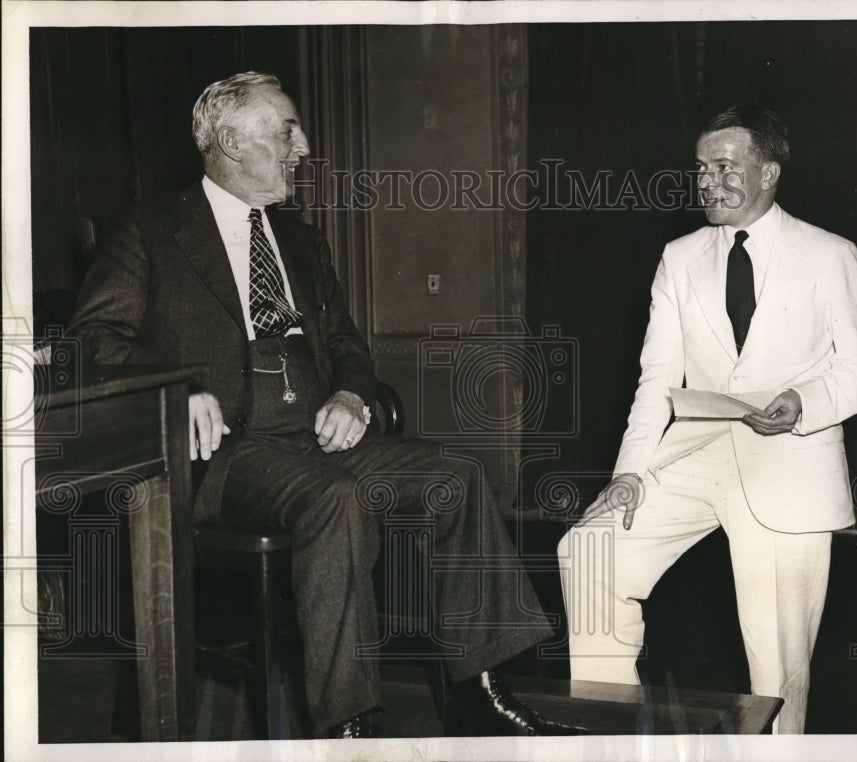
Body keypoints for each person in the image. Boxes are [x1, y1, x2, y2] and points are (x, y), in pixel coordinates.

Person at [68, 71, 586, 739]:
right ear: (229, 139)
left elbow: (346, 344)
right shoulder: (147, 229)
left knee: (454, 477)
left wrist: (351, 393)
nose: (303, 146)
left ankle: (478, 692)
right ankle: (348, 725)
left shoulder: (302, 240)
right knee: (335, 500)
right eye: (287, 130)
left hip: (314, 443)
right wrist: (179, 387)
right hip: (225, 456)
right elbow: (90, 343)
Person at [558, 104, 857, 733]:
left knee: (778, 670)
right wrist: (628, 473)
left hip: (790, 467)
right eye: (701, 168)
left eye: (725, 166)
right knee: (590, 550)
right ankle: (604, 735)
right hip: (694, 456)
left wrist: (803, 404)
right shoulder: (678, 258)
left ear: (768, 173)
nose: (707, 181)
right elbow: (657, 380)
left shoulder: (830, 254)